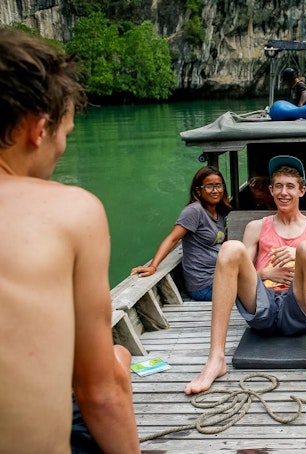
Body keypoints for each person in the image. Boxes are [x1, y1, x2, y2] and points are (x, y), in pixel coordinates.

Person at [0, 28, 140, 453]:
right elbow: (100, 391)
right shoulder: (71, 211)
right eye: (66, 132)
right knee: (116, 361)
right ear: (39, 128)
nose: (62, 146)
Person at [184, 155, 306, 398]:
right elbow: (239, 275)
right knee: (230, 248)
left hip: (298, 308)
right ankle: (215, 359)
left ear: (302, 191)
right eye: (278, 186)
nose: (284, 193)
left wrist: (298, 256)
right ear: (270, 190)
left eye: (290, 186)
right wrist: (266, 273)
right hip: (263, 306)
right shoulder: (256, 227)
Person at [131, 166, 231, 301]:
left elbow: (224, 245)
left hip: (220, 275)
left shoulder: (221, 212)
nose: (215, 191)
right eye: (209, 186)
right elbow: (172, 239)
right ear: (198, 190)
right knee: (253, 287)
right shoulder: (194, 211)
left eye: (219, 186)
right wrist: (153, 266)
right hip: (204, 285)